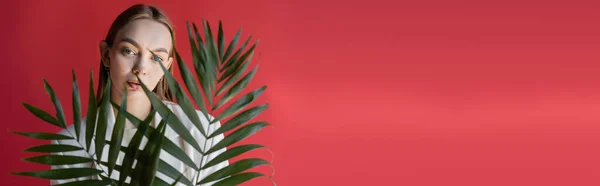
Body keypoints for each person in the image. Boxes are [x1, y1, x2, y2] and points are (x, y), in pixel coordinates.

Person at [49, 4, 228, 185]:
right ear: (106, 54)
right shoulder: (70, 146)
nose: (140, 68)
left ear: (166, 67)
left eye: (156, 58)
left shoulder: (203, 133)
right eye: (129, 51)